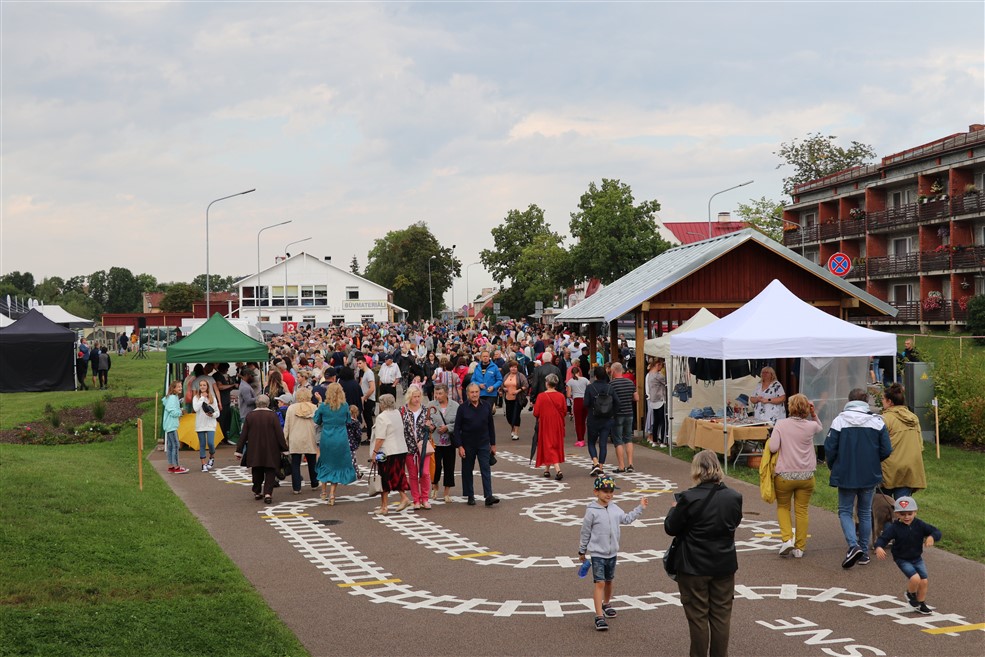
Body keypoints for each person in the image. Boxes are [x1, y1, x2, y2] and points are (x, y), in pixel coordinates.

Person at [664, 450, 743, 657]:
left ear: (697, 469)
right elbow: (734, 523)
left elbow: (671, 528)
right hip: (724, 564)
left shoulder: (688, 498)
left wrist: (674, 508)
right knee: (721, 616)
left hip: (693, 565)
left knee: (698, 618)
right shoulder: (734, 497)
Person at [824, 387, 893, 569]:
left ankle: (853, 546)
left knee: (845, 510)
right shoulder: (877, 421)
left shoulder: (839, 420)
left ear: (849, 400)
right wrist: (873, 460)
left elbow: (830, 448)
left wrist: (833, 465)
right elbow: (886, 449)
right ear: (866, 401)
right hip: (869, 473)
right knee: (864, 511)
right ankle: (863, 551)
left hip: (846, 472)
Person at [578, 475, 647, 632]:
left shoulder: (615, 509)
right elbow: (585, 532)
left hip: (612, 553)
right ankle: (599, 616)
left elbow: (627, 519)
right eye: (605, 491)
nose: (608, 494)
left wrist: (640, 508)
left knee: (609, 581)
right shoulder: (591, 511)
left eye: (611, 491)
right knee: (600, 582)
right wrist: (582, 550)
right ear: (596, 492)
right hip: (597, 553)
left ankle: (606, 603)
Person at [767, 393, 822, 558]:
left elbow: (773, 448)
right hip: (806, 476)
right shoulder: (811, 426)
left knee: (783, 507)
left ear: (790, 408)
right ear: (806, 408)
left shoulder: (781, 424)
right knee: (802, 511)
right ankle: (800, 548)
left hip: (785, 475)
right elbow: (819, 426)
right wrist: (813, 413)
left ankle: (786, 540)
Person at [874, 496, 941, 615]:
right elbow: (883, 538)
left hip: (916, 557)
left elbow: (936, 531)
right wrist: (879, 547)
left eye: (910, 514)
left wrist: (931, 537)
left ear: (915, 512)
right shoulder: (894, 528)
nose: (906, 517)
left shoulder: (919, 524)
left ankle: (921, 603)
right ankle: (910, 595)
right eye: (902, 514)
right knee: (915, 578)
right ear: (897, 514)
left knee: (924, 581)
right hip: (902, 558)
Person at [234, 394, 288, 505]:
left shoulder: (250, 416)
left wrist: (239, 450)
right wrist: (284, 448)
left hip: (254, 448)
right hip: (271, 448)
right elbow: (279, 433)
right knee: (270, 470)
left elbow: (244, 434)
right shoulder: (272, 416)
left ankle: (257, 491)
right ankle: (268, 493)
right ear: (268, 403)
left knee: (257, 470)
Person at [453, 383, 499, 507]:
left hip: (483, 443)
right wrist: (460, 446)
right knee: (467, 470)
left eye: (476, 392)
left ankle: (488, 496)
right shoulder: (462, 408)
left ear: (479, 393)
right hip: (467, 444)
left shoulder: (486, 406)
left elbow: (491, 426)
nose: (474, 394)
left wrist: (493, 444)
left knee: (486, 469)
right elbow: (457, 429)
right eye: (472, 392)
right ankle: (470, 495)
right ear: (467, 394)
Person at [880, 383, 927, 500]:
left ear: (889, 401)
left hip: (889, 470)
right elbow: (920, 445)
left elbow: (878, 446)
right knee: (903, 510)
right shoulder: (914, 418)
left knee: (883, 508)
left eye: (883, 399)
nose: (882, 401)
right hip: (909, 469)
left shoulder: (885, 419)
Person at [314, 382, 357, 505]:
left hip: (327, 437)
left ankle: (323, 491)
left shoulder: (323, 406)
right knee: (337, 465)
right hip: (341, 438)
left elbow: (316, 420)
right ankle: (332, 494)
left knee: (325, 463)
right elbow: (348, 420)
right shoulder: (344, 406)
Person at [370, 394, 412, 514]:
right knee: (397, 474)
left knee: (383, 476)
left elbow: (380, 438)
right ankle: (404, 497)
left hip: (386, 451)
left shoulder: (381, 417)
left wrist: (374, 453)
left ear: (382, 404)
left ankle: (384, 507)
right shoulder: (397, 413)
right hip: (400, 449)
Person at [400, 385, 433, 510]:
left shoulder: (425, 410)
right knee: (413, 474)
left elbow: (432, 426)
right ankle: (416, 499)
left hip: (423, 446)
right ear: (409, 397)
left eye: (419, 396)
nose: (417, 399)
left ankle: (425, 498)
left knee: (424, 473)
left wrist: (430, 426)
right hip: (408, 446)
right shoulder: (403, 410)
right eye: (414, 396)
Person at [584, 366, 620, 477]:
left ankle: (595, 462)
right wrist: (612, 414)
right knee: (603, 444)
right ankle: (600, 466)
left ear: (595, 376)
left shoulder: (590, 388)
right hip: (607, 419)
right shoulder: (610, 388)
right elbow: (617, 402)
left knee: (591, 442)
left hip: (593, 419)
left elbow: (585, 403)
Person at [284, 387, 320, 495]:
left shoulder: (291, 408)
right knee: (312, 462)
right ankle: (314, 483)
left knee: (295, 463)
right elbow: (317, 424)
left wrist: (284, 439)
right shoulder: (314, 408)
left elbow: (287, 426)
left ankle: (296, 487)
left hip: (295, 438)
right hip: (310, 437)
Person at [428, 384, 459, 503]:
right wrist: (431, 426)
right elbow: (427, 420)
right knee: (436, 467)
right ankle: (434, 486)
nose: (438, 396)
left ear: (446, 393)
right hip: (435, 442)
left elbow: (459, 423)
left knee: (449, 466)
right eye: (436, 394)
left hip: (450, 442)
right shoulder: (431, 405)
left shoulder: (455, 406)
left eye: (440, 393)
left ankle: (447, 492)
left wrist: (448, 427)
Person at [533, 373, 566, 480]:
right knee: (554, 444)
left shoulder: (541, 396)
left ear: (547, 383)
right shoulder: (561, 396)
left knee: (548, 445)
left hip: (546, 423)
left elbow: (536, 412)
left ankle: (558, 470)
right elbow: (565, 411)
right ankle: (546, 469)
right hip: (558, 422)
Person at [609, 362, 637, 473]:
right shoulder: (630, 382)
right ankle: (630, 464)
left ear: (613, 371)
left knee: (618, 440)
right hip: (629, 413)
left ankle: (621, 466)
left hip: (617, 415)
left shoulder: (611, 384)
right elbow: (636, 398)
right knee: (628, 439)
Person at [192, 379, 219, 472]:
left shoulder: (212, 398)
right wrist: (202, 398)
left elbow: (217, 412)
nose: (202, 387)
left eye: (204, 385)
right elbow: (195, 408)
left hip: (210, 424)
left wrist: (213, 415)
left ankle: (212, 456)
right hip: (200, 424)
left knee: (211, 443)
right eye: (201, 385)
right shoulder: (196, 398)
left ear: (207, 387)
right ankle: (203, 464)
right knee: (202, 444)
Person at [162, 380, 188, 474]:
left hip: (170, 425)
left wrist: (179, 409)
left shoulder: (173, 397)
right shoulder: (173, 398)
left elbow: (171, 409)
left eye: (181, 386)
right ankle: (177, 467)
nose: (180, 388)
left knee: (170, 446)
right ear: (173, 388)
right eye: (178, 387)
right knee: (176, 445)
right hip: (171, 425)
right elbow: (172, 411)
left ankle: (171, 466)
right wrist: (180, 412)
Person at [501, 360, 529, 441]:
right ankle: (512, 428)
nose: (513, 369)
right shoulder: (506, 375)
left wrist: (518, 390)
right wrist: (503, 388)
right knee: (509, 416)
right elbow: (502, 384)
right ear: (509, 368)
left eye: (515, 367)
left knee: (516, 416)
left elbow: (526, 385)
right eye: (512, 367)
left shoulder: (520, 376)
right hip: (508, 398)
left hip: (517, 399)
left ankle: (516, 433)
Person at [645, 359, 668, 447]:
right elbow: (666, 382)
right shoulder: (658, 375)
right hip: (660, 399)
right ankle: (662, 441)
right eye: (661, 366)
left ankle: (654, 440)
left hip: (653, 400)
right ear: (657, 365)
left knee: (656, 421)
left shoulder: (649, 375)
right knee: (663, 421)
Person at [357, 357, 377, 444]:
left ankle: (370, 438)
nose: (358, 365)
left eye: (360, 363)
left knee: (368, 419)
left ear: (365, 362)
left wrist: (365, 397)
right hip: (367, 399)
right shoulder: (366, 373)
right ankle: (370, 437)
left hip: (369, 399)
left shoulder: (369, 373)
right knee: (367, 418)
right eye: (358, 363)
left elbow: (372, 388)